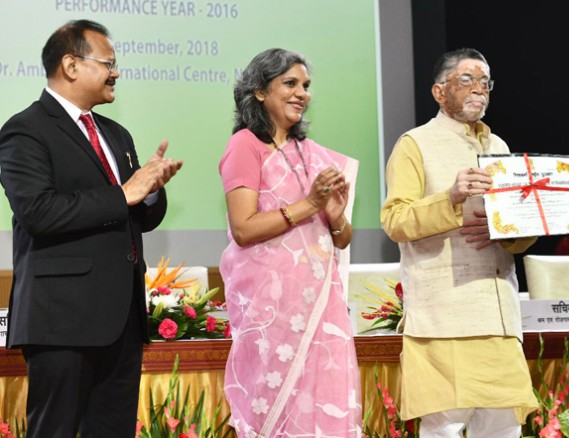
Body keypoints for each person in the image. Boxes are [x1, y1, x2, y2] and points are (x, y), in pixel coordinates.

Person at [0, 19, 182, 437]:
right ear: (71, 65)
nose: (116, 72)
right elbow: (38, 212)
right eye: (108, 63)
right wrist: (126, 193)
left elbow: (140, 217)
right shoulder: (25, 129)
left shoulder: (116, 134)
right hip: (60, 320)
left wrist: (151, 191)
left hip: (122, 320)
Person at [381, 47, 538, 438]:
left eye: (485, 82)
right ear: (439, 92)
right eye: (467, 80)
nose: (479, 90)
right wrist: (449, 198)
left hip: (499, 313)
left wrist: (510, 229)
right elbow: (394, 219)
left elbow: (518, 230)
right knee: (445, 426)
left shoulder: (498, 147)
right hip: (445, 315)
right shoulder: (414, 144)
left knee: (503, 428)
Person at [218, 48, 361, 437]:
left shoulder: (312, 154)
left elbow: (342, 239)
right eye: (290, 84)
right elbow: (244, 228)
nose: (302, 93)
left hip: (319, 308)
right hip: (270, 312)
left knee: (321, 407)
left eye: (306, 86)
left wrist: (334, 216)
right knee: (270, 411)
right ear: (260, 92)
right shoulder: (245, 145)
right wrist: (309, 204)